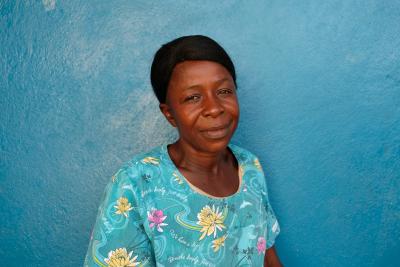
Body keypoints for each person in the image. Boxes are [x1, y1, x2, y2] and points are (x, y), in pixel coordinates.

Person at [84, 35, 282, 267]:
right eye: (193, 97)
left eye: (224, 91)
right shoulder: (136, 184)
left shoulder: (250, 167)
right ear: (169, 114)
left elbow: (266, 256)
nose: (214, 108)